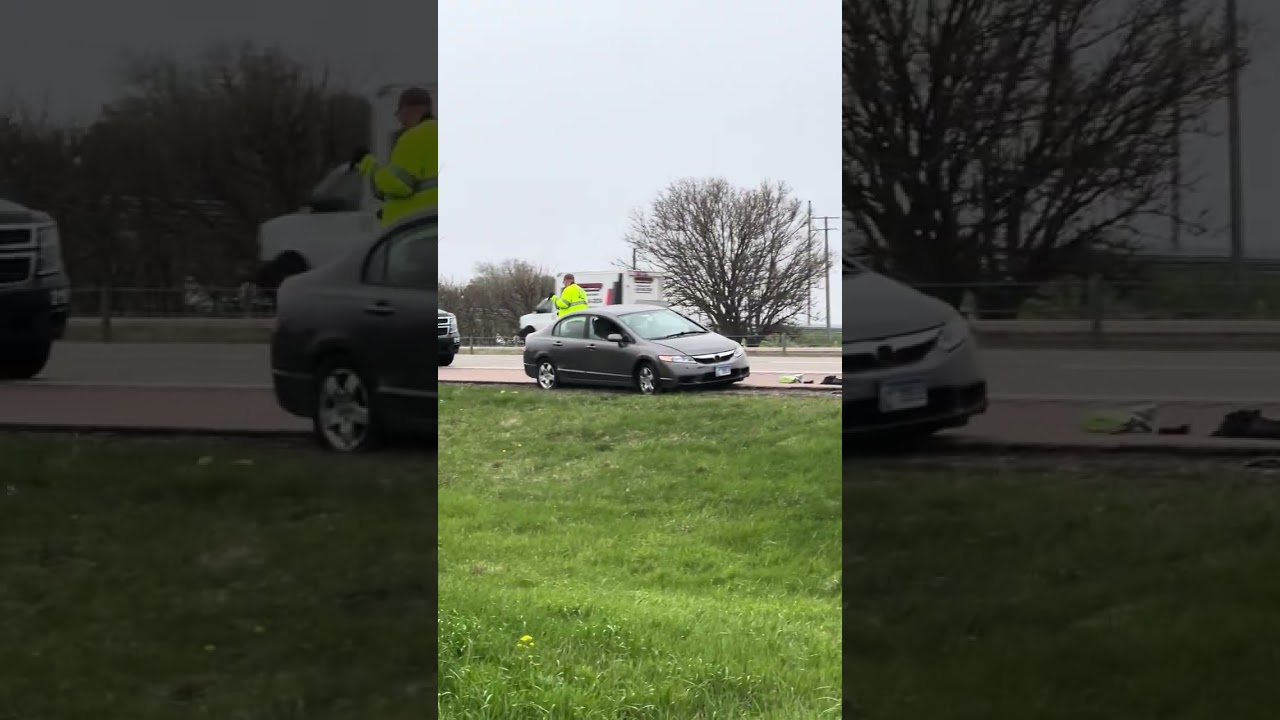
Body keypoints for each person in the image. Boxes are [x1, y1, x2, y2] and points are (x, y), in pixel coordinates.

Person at [355, 86, 437, 226]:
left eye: (399, 114)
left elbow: (398, 184)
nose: (399, 120)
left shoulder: (414, 137)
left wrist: (368, 163)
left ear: (407, 111)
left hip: (416, 228)